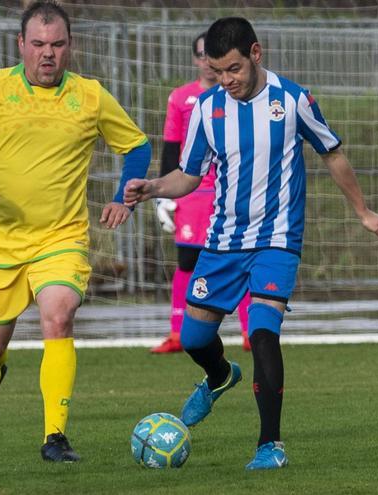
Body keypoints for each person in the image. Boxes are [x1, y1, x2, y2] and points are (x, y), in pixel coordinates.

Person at [124, 17, 378, 470]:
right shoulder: (208, 109)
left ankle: (270, 445)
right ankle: (219, 375)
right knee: (194, 338)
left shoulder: (293, 99)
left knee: (263, 333)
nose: (226, 80)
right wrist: (152, 187)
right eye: (217, 71)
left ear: (256, 54)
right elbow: (189, 175)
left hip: (278, 238)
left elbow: (333, 153)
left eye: (233, 69)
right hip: (224, 240)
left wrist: (363, 211)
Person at [0, 0, 150, 462]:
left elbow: (136, 146)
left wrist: (121, 196)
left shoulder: (90, 96)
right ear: (20, 45)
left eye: (57, 44)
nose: (47, 54)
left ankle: (55, 437)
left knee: (59, 316)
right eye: (38, 44)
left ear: (70, 47)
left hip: (61, 239)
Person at [151, 32, 251, 354]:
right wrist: (166, 196)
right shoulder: (180, 98)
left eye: (213, 54)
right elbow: (171, 147)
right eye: (202, 55)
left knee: (243, 258)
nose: (208, 62)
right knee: (188, 261)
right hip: (191, 193)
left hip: (229, 192)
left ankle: (252, 331)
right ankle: (178, 332)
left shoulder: (240, 96)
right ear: (196, 59)